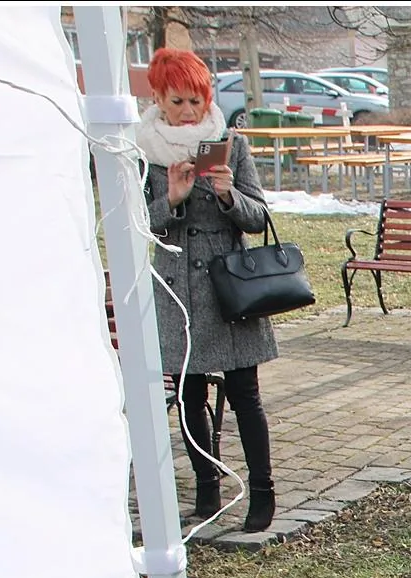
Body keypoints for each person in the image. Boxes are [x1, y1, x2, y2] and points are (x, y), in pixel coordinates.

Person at [139, 48, 278, 531]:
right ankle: (207, 490)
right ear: (157, 98)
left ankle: (262, 493)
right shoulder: (142, 152)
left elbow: (259, 217)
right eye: (177, 101)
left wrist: (226, 194)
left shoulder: (229, 144)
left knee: (245, 395)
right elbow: (135, 228)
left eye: (196, 100)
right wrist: (171, 200)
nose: (188, 111)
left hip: (229, 290)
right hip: (177, 291)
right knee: (188, 395)